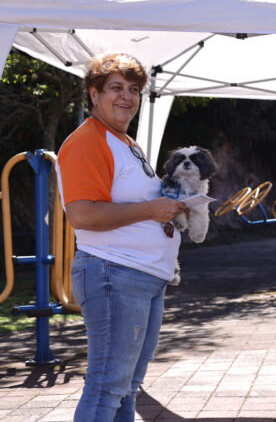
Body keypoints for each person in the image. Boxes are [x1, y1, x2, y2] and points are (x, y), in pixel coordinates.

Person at [56, 53, 188, 421]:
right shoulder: (88, 141)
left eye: (134, 90)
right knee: (107, 387)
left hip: (141, 276)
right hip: (114, 273)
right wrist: (151, 211)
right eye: (116, 88)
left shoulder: (126, 142)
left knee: (125, 388)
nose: (126, 97)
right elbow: (82, 215)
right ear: (93, 94)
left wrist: (172, 208)